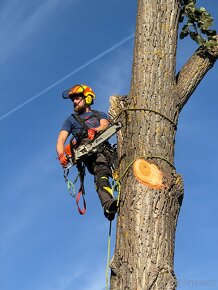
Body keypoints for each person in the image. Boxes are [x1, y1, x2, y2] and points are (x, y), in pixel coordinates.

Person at [56, 84, 118, 220]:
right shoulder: (71, 120)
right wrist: (61, 155)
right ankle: (108, 204)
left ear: (87, 98)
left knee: (121, 169)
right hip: (89, 154)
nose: (74, 102)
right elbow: (61, 139)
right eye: (73, 100)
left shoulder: (99, 114)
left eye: (77, 98)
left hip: (105, 149)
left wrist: (95, 130)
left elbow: (104, 125)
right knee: (101, 173)